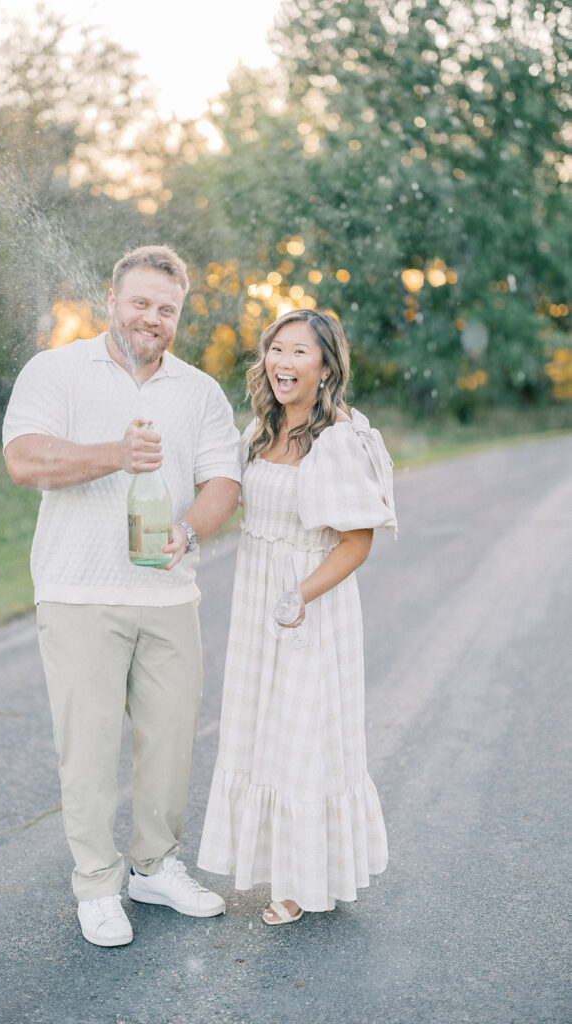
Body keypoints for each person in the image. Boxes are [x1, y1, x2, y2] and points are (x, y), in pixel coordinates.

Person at [2, 245, 241, 946]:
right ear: (112, 300)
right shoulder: (56, 369)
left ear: (178, 315)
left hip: (169, 594)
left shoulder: (198, 390)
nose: (152, 318)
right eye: (140, 303)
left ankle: (154, 867)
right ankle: (96, 886)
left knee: (170, 742)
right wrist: (115, 452)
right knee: (89, 745)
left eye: (166, 309)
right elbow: (23, 460)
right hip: (77, 590)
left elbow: (222, 481)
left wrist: (189, 533)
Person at [197, 308, 397, 925]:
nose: (284, 363)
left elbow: (356, 542)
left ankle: (300, 882)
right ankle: (293, 869)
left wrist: (300, 594)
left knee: (304, 737)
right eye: (277, 350)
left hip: (308, 607)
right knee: (264, 730)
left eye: (300, 353)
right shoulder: (259, 429)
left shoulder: (334, 440)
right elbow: (229, 501)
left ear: (326, 366)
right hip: (259, 601)